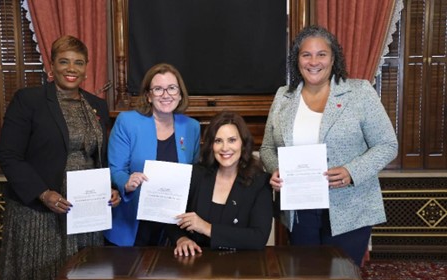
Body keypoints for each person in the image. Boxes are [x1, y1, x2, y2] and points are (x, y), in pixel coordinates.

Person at [0, 35, 120, 280]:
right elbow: (9, 156)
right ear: (51, 65)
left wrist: (110, 189)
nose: (71, 69)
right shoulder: (29, 100)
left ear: (87, 69)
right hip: (40, 212)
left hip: (85, 212)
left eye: (79, 62)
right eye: (64, 61)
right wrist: (44, 193)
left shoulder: (97, 105)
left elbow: (98, 157)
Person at [259, 25, 398, 267]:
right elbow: (267, 149)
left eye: (321, 54)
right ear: (297, 60)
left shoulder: (359, 92)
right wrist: (275, 170)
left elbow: (387, 144)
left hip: (350, 207)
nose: (314, 61)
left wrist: (351, 172)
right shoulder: (283, 96)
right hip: (300, 211)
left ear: (333, 58)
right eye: (306, 55)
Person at [104, 63, 200, 246]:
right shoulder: (128, 122)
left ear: (180, 94)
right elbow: (116, 169)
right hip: (133, 223)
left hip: (175, 225)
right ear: (148, 96)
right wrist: (127, 182)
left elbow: (194, 173)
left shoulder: (191, 127)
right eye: (158, 89)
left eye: (172, 88)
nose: (166, 95)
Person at [168, 112, 273, 256]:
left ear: (243, 143)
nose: (225, 148)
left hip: (241, 267)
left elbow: (258, 238)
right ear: (211, 145)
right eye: (218, 141)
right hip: (196, 264)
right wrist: (181, 239)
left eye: (232, 140)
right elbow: (173, 219)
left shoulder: (260, 182)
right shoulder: (196, 174)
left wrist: (206, 227)